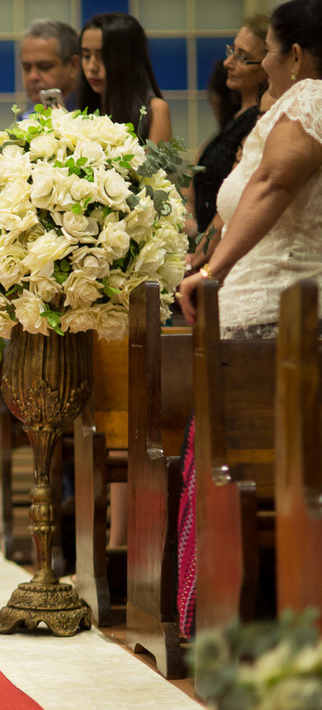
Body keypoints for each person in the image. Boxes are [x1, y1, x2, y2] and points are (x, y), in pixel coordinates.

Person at [172, 0, 322, 637]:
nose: (259, 61)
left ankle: (242, 618)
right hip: (262, 314)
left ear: (295, 55)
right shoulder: (282, 105)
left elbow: (275, 185)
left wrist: (213, 273)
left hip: (281, 313)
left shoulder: (310, 95)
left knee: (257, 472)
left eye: (267, 49)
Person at [188, 16, 270, 267]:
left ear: (269, 65)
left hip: (227, 257)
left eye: (242, 57)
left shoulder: (259, 122)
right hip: (208, 246)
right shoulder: (235, 116)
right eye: (231, 51)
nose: (228, 62)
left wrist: (198, 262)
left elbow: (230, 209)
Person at [77, 12, 171, 143]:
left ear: (128, 59)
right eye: (86, 56)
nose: (92, 67)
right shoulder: (85, 110)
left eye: (103, 57)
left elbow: (154, 164)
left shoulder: (155, 110)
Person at [18, 19, 81, 118]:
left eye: (44, 67)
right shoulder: (24, 118)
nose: (32, 76)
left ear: (74, 66)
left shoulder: (95, 121)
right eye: (27, 68)